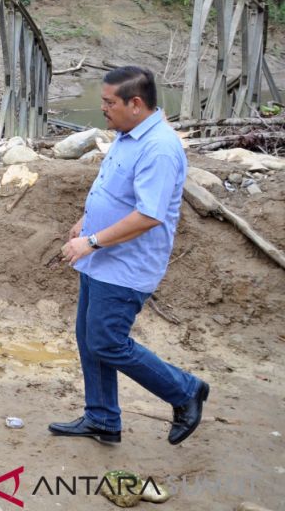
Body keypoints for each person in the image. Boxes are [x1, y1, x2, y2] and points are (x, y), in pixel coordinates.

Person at [50, 65, 207, 447]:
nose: (103, 108)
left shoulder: (160, 148)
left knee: (106, 340)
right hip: (101, 257)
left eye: (109, 102)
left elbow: (149, 215)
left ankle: (185, 391)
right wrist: (84, 220)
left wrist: (92, 242)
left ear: (136, 103)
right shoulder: (128, 133)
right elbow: (116, 189)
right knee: (90, 340)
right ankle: (102, 419)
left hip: (124, 265)